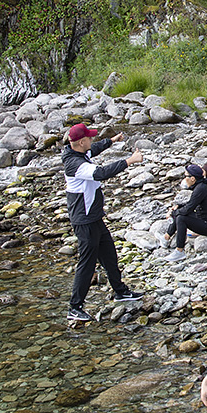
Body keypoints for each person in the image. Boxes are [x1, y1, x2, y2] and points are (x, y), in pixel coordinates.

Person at [63, 124, 144, 322]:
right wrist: (130, 161)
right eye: (89, 138)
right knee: (87, 263)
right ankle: (75, 307)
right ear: (81, 142)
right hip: (84, 221)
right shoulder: (75, 164)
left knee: (109, 254)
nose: (92, 140)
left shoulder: (79, 151)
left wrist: (112, 141)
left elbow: (94, 148)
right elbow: (100, 173)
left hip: (94, 218)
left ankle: (120, 291)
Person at [163, 164, 207, 262]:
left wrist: (173, 213)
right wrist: (178, 207)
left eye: (186, 176)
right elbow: (191, 203)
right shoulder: (201, 187)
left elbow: (188, 209)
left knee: (181, 217)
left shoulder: (200, 189)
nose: (185, 179)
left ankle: (179, 251)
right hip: (205, 220)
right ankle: (166, 237)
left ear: (193, 179)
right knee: (180, 213)